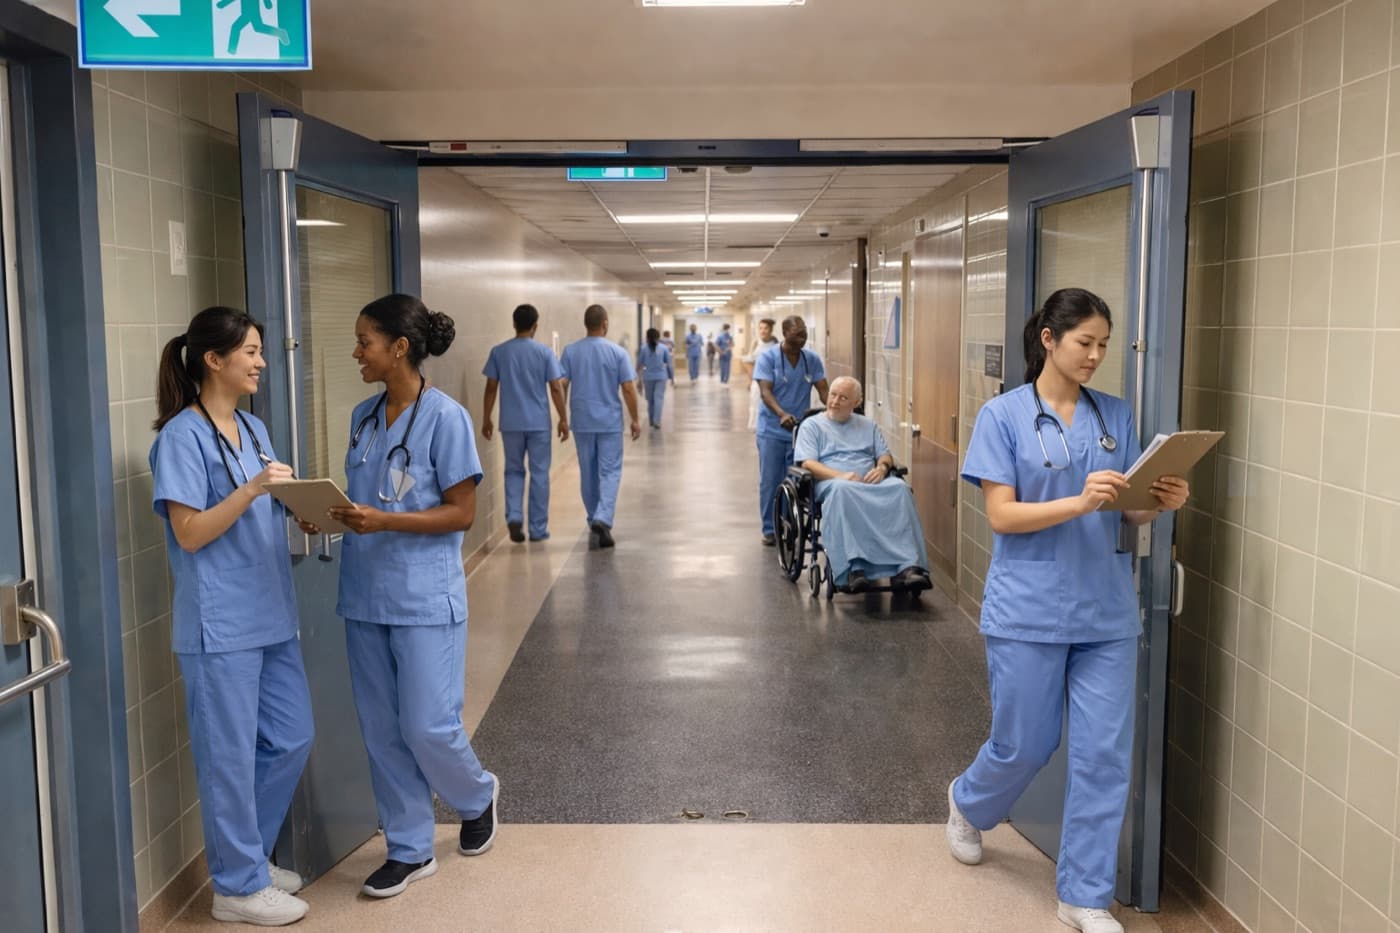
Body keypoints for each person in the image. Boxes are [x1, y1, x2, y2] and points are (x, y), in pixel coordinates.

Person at [947, 288, 1189, 933]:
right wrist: (1078, 504)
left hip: (1106, 609)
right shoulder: (1003, 416)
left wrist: (1160, 500)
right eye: (1085, 342)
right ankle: (968, 801)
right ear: (1050, 340)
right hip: (1028, 605)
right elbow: (1001, 515)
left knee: (1104, 755)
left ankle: (1084, 895)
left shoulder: (1116, 415)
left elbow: (1128, 511)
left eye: (1104, 344)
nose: (1096, 355)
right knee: (1025, 743)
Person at [303, 294, 499, 900]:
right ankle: (410, 848)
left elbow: (462, 513)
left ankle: (476, 794)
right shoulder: (364, 416)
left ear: (400, 348)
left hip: (422, 596)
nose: (357, 352)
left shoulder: (447, 418)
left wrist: (384, 523)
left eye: (365, 342)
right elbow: (366, 500)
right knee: (382, 730)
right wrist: (326, 516)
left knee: (427, 725)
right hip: (363, 595)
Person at [149, 306, 314, 926]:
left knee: (292, 736)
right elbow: (190, 533)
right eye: (250, 351)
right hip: (218, 625)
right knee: (228, 756)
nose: (261, 362)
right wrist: (250, 491)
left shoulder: (254, 427)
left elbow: (257, 508)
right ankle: (238, 888)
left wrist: (295, 507)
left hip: (270, 612)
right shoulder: (180, 437)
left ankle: (247, 858)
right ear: (213, 360)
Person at [793, 376, 932, 592]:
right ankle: (853, 568)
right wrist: (840, 475)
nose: (835, 401)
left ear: (856, 403)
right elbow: (808, 463)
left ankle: (908, 567)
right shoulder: (812, 426)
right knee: (843, 491)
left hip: (869, 480)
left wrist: (882, 468)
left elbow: (885, 455)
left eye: (843, 397)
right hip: (832, 481)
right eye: (833, 394)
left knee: (899, 488)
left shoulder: (868, 425)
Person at [481, 303, 570, 543]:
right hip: (538, 423)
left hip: (510, 423)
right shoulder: (544, 353)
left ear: (514, 324)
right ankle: (538, 529)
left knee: (513, 470)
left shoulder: (499, 352)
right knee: (539, 473)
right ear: (535, 326)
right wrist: (563, 417)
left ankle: (514, 517)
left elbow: (491, 388)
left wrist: (486, 417)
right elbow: (555, 387)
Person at [560, 304, 641, 548]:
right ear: (605, 324)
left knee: (588, 471)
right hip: (609, 422)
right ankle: (603, 518)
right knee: (610, 471)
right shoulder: (617, 353)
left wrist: (563, 415)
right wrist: (635, 419)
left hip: (582, 421)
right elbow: (628, 388)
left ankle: (593, 516)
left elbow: (561, 384)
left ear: (586, 324)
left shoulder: (570, 351)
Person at [754, 315, 829, 546]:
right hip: (772, 429)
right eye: (798, 334)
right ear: (785, 333)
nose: (802, 338)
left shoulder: (811, 360)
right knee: (770, 480)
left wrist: (836, 408)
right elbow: (765, 392)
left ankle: (788, 522)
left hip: (800, 432)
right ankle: (770, 528)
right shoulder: (768, 358)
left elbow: (824, 390)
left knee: (795, 481)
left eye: (804, 333)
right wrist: (781, 413)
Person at [743, 318, 780, 430]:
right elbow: (749, 361)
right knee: (755, 404)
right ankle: (756, 427)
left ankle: (769, 427)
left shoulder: (776, 345)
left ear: (771, 330)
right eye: (760, 328)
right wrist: (749, 380)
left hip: (772, 381)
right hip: (757, 380)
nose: (763, 331)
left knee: (770, 404)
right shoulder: (755, 343)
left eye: (766, 328)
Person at [635, 326, 675, 429]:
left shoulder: (643, 348)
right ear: (658, 337)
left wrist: (639, 380)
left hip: (648, 377)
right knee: (658, 399)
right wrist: (672, 378)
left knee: (650, 400)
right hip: (661, 377)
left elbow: (639, 365)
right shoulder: (664, 348)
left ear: (647, 337)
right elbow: (669, 364)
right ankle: (657, 421)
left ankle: (652, 421)